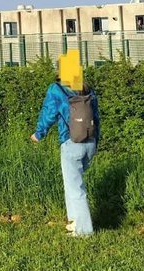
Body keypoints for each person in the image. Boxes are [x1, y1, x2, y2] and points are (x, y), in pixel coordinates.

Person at [30, 55, 100, 238]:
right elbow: (97, 118)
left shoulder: (57, 89)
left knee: (75, 187)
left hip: (71, 143)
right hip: (89, 142)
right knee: (73, 185)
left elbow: (49, 113)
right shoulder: (87, 89)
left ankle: (84, 231)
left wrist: (39, 134)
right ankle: (76, 222)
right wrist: (96, 142)